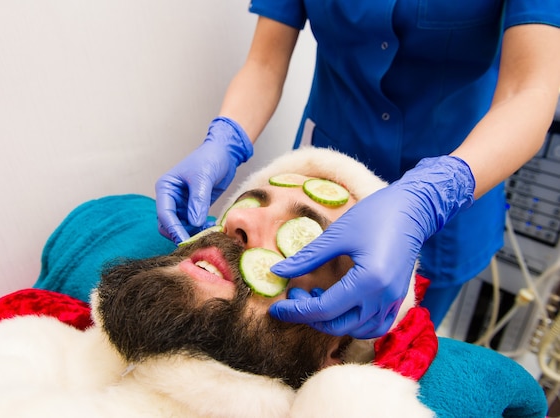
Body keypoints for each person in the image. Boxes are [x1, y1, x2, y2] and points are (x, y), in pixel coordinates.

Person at [0, 147, 435, 418]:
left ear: (335, 347)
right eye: (253, 200)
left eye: (304, 241)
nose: (236, 225)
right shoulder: (24, 340)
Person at [155, 2, 560, 336]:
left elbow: (531, 91)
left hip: (457, 186)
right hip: (323, 168)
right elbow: (264, 63)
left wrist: (431, 196)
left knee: (392, 349)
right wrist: (226, 138)